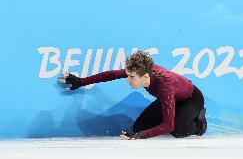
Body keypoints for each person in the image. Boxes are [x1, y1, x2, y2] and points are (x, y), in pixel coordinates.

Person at [59, 50, 207, 140]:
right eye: (128, 75)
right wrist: (81, 81)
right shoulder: (140, 70)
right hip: (171, 98)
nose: (127, 80)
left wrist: (142, 136)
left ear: (145, 76)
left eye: (132, 77)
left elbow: (168, 125)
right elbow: (111, 74)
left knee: (177, 130)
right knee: (137, 128)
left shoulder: (165, 86)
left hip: (191, 99)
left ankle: (200, 124)